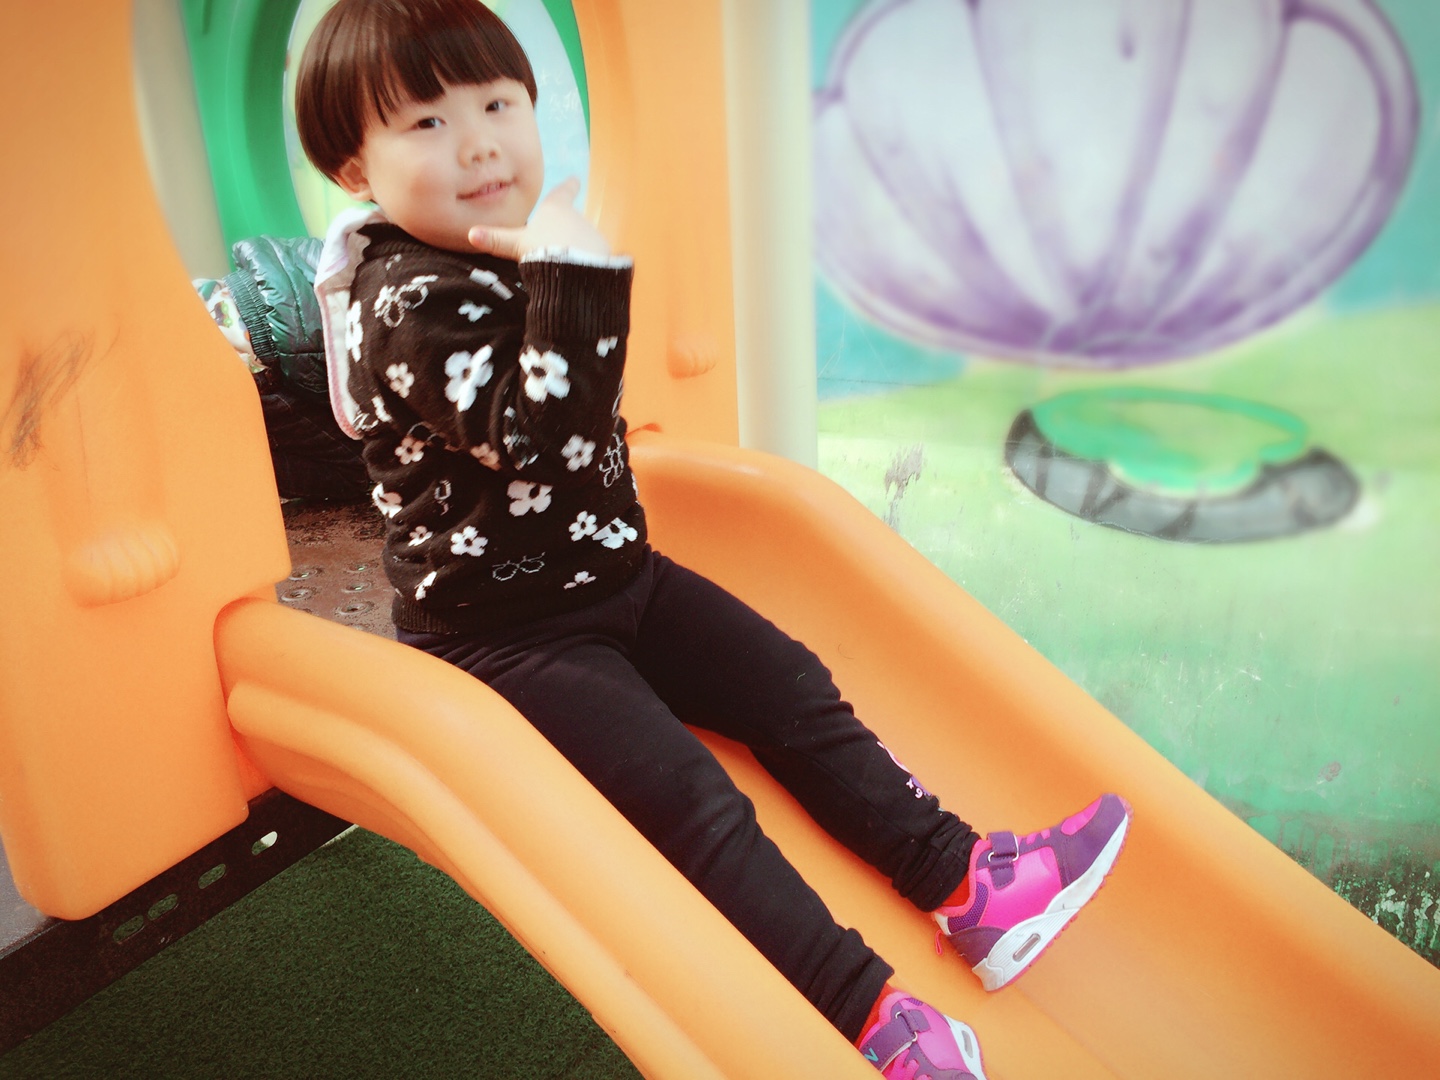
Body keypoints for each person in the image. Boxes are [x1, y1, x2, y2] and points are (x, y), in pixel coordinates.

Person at [295, 2, 1131, 1075]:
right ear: (354, 166)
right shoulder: (403, 298)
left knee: (790, 683)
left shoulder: (505, 247)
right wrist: (577, 278)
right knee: (691, 801)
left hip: (616, 574)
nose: (478, 144)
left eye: (498, 104)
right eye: (426, 122)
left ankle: (970, 885)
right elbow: (545, 440)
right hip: (505, 635)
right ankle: (867, 1019)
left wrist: (561, 273)